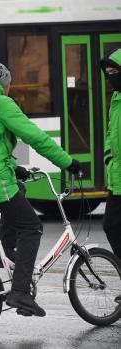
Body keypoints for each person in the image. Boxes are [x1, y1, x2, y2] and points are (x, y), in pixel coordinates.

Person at [0, 58, 81, 317]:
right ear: (2, 83)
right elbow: (36, 137)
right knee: (32, 227)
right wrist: (68, 162)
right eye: (9, 85)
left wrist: (16, 168)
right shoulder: (0, 103)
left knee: (18, 190)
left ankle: (8, 253)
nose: (9, 89)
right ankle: (20, 292)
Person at [100, 48, 121, 302]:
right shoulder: (115, 99)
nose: (111, 77)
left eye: (115, 72)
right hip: (116, 179)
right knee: (111, 226)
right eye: (108, 74)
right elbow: (109, 133)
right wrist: (108, 156)